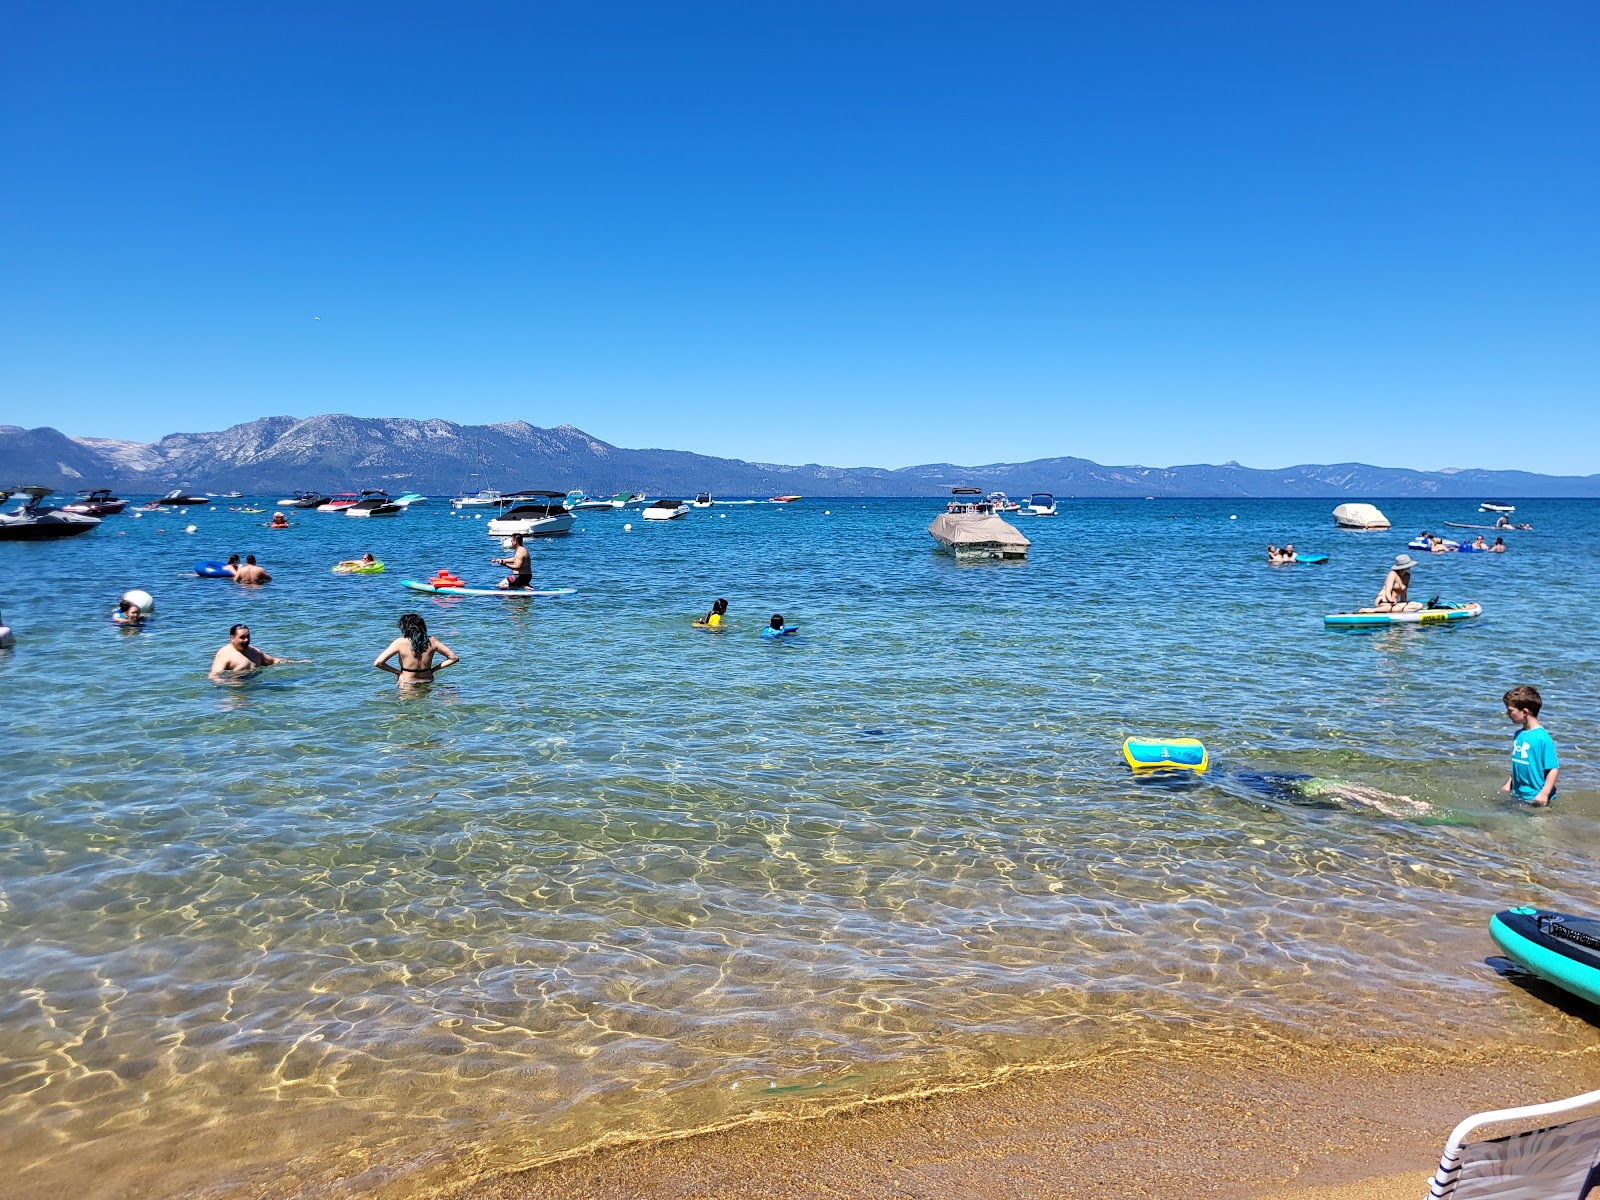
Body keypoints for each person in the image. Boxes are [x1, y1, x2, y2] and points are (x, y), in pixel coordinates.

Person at [1501, 685, 1558, 806]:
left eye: (1510, 710)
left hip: (1537, 796)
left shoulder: (1542, 738)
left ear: (1525, 712)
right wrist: (1509, 783)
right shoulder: (1519, 734)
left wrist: (1544, 793)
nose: (1507, 713)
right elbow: (1520, 763)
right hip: (1518, 793)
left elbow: (1553, 769)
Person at [373, 612, 459, 686]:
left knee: (407, 705)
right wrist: (433, 670)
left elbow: (378, 663)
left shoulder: (400, 642)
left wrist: (398, 673)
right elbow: (454, 658)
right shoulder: (432, 641)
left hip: (407, 682)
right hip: (427, 680)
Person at [209, 624, 289, 675]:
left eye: (247, 636)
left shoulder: (255, 652)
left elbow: (273, 661)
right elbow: (214, 675)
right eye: (242, 637)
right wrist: (226, 683)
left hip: (255, 689)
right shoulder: (225, 653)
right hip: (236, 691)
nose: (246, 640)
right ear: (232, 638)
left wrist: (297, 663)